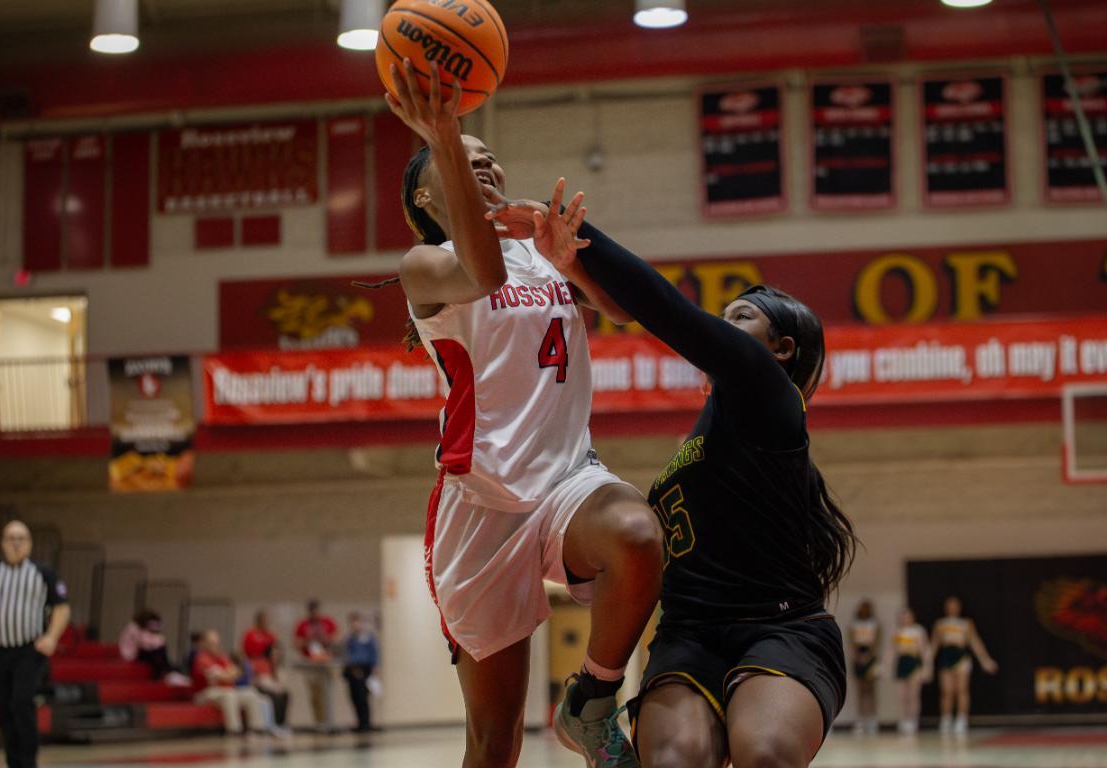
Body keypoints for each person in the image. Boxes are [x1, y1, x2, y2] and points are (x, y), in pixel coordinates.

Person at [488, 196, 856, 768]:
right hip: (689, 635)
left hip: (781, 628)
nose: (721, 329)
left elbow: (664, 309)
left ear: (781, 349)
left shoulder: (771, 395)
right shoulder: (706, 432)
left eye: (739, 319)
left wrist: (581, 239)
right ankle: (593, 708)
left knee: (764, 754)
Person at [384, 58, 664, 768]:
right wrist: (443, 131)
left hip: (568, 479)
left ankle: (591, 702)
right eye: (463, 159)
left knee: (636, 533)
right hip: (480, 501)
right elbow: (484, 275)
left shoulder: (542, 253)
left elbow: (627, 311)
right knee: (495, 735)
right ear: (425, 194)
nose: (485, 166)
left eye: (491, 158)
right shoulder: (425, 263)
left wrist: (572, 262)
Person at [0, 521, 70, 768]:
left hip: (29, 651)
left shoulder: (44, 573)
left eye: (21, 538)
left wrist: (52, 637)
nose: (15, 543)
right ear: (2, 542)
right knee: (4, 708)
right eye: (10, 538)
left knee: (22, 703)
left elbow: (62, 608)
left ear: (30, 543)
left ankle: (28, 763)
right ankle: (13, 762)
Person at [929, 596, 997, 734]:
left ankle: (962, 719)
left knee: (962, 689)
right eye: (950, 605)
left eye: (955, 605)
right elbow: (934, 644)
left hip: (961, 657)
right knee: (947, 691)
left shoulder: (966, 623)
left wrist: (985, 660)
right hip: (946, 656)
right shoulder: (940, 624)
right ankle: (946, 719)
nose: (952, 607)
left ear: (959, 607)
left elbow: (975, 642)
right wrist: (927, 663)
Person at [190, 629, 268, 736]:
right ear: (203, 644)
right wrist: (228, 674)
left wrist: (227, 674)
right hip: (204, 694)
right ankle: (234, 731)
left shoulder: (221, 657)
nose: (215, 645)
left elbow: (236, 672)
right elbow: (226, 676)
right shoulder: (201, 659)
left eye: (216, 643)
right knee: (229, 695)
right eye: (211, 643)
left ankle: (256, 729)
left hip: (222, 691)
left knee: (251, 693)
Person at [242, 609, 290, 729]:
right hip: (258, 673)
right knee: (272, 694)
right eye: (264, 620)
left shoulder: (271, 636)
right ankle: (272, 725)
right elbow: (246, 654)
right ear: (258, 621)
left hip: (268, 672)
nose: (267, 622)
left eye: (268, 620)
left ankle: (281, 724)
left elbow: (277, 652)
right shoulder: (250, 634)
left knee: (284, 693)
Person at [294, 600, 337, 729]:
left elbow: (336, 639)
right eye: (312, 611)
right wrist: (308, 640)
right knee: (315, 696)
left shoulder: (327, 622)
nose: (315, 614)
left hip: (324, 663)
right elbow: (296, 643)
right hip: (310, 664)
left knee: (326, 694)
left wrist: (325, 638)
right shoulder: (303, 625)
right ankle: (318, 723)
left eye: (316, 611)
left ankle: (328, 722)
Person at [119, 609, 188, 685]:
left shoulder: (141, 628)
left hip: (142, 651)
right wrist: (160, 640)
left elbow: (151, 641)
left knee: (158, 653)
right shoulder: (133, 627)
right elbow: (144, 642)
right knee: (158, 651)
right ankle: (165, 670)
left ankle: (166, 669)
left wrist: (159, 640)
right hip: (132, 654)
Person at [892, 608, 930, 735]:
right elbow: (891, 650)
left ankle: (913, 720)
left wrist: (926, 668)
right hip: (902, 663)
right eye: (903, 617)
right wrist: (885, 666)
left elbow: (924, 650)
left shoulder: (918, 631)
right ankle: (903, 720)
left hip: (914, 663)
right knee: (902, 695)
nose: (905, 619)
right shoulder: (897, 632)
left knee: (913, 694)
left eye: (908, 617)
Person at [342, 612, 379, 733]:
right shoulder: (349, 639)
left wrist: (374, 667)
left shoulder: (368, 637)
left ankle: (366, 723)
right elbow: (346, 654)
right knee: (354, 698)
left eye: (357, 622)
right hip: (352, 670)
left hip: (365, 669)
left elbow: (373, 652)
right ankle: (359, 722)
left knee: (364, 697)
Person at [849, 599, 881, 735]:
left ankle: (872, 719)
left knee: (871, 689)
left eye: (867, 607)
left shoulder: (875, 624)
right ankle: (861, 720)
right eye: (862, 607)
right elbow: (851, 641)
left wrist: (868, 656)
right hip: (858, 656)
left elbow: (877, 641)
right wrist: (858, 656)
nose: (864, 610)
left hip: (871, 657)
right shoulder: (854, 624)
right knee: (860, 690)